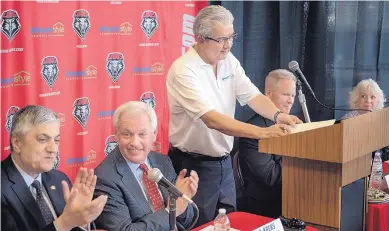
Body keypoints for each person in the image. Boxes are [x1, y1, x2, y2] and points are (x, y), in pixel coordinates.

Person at [166, 5, 302, 226]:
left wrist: (277, 115)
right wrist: (262, 132)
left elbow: (252, 96)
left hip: (223, 164)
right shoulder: (183, 70)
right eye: (221, 39)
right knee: (198, 225)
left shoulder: (228, 61)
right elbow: (211, 119)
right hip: (193, 165)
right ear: (201, 37)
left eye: (231, 37)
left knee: (227, 223)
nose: (228, 45)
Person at [93, 101, 199, 231]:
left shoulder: (162, 162)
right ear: (116, 135)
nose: (135, 142)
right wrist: (171, 211)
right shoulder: (105, 178)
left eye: (142, 134)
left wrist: (183, 200)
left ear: (154, 135)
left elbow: (185, 222)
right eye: (127, 134)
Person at [1, 105, 108, 231]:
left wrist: (81, 220)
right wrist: (64, 223)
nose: (53, 149)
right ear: (17, 142)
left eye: (56, 140)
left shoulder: (59, 179)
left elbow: (75, 224)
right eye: (42, 139)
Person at [238, 69, 297, 218]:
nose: (290, 101)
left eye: (293, 95)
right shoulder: (252, 131)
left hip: (294, 198)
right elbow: (270, 177)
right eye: (285, 94)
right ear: (269, 93)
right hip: (267, 209)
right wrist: (303, 162)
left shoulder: (294, 124)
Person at [341, 78, 388, 161]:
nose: (368, 101)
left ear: (378, 100)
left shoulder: (383, 120)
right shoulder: (347, 120)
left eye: (372, 97)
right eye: (363, 96)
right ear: (356, 98)